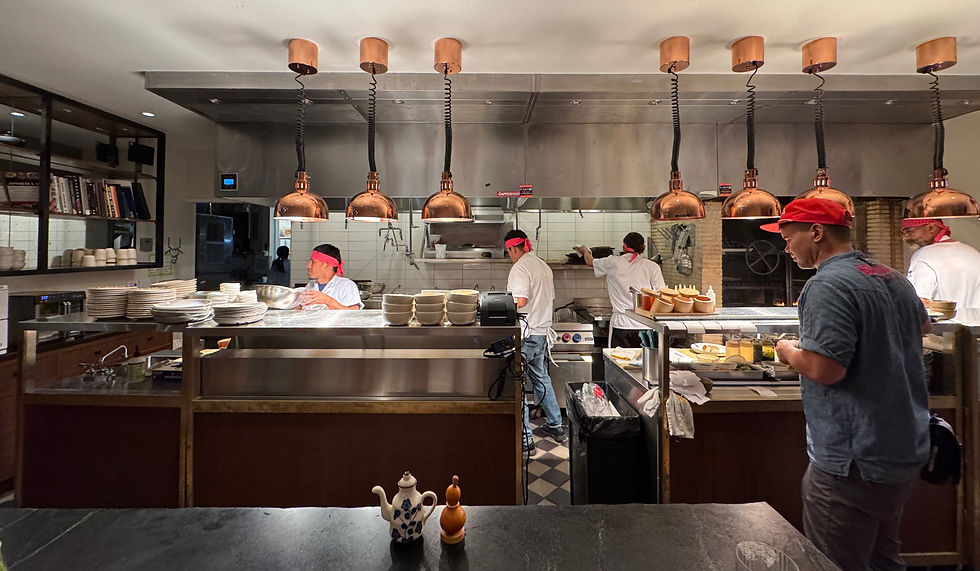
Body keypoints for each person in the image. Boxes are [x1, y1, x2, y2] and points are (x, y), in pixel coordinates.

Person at [763, 198, 929, 571]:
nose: (786, 248)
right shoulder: (892, 277)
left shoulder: (826, 285)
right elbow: (922, 328)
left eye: (789, 238)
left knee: (833, 563)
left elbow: (826, 369)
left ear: (817, 232)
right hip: (901, 445)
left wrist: (789, 351)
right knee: (883, 559)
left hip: (851, 456)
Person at [504, 229, 566, 457]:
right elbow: (548, 298)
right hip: (540, 332)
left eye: (508, 251)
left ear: (512, 248)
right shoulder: (542, 265)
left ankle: (525, 437)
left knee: (517, 382)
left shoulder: (520, 267)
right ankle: (557, 426)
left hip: (526, 333)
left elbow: (520, 300)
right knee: (541, 378)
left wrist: (500, 307)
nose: (509, 255)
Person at [577, 232, 665, 348]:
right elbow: (662, 295)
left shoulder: (613, 262)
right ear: (644, 247)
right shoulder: (652, 266)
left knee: (618, 362)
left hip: (621, 324)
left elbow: (590, 262)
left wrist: (585, 251)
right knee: (646, 362)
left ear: (624, 246)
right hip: (646, 325)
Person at [901, 218, 980, 308]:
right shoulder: (973, 252)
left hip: (946, 321)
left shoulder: (924, 255)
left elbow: (919, 302)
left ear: (931, 228)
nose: (905, 238)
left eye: (909, 231)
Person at [298, 244, 363, 310]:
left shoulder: (346, 285)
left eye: (313, 262)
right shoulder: (310, 285)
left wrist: (328, 301)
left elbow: (354, 313)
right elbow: (302, 309)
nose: (308, 266)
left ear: (327, 265)